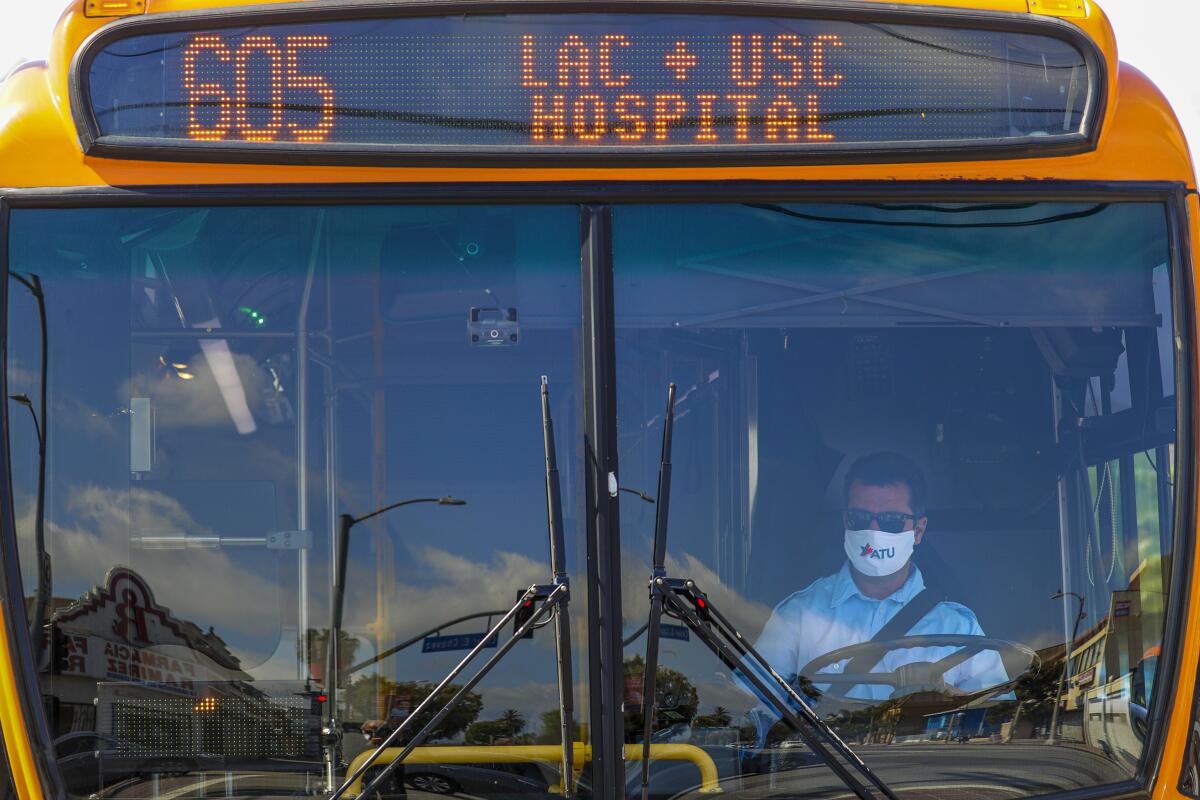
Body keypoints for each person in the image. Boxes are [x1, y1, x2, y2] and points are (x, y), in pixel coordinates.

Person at [750, 451, 1008, 707]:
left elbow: (999, 722)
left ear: (918, 530)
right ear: (845, 521)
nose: (873, 531)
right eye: (860, 519)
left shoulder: (959, 630)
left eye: (891, 522)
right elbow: (751, 711)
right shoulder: (799, 616)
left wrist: (953, 700)